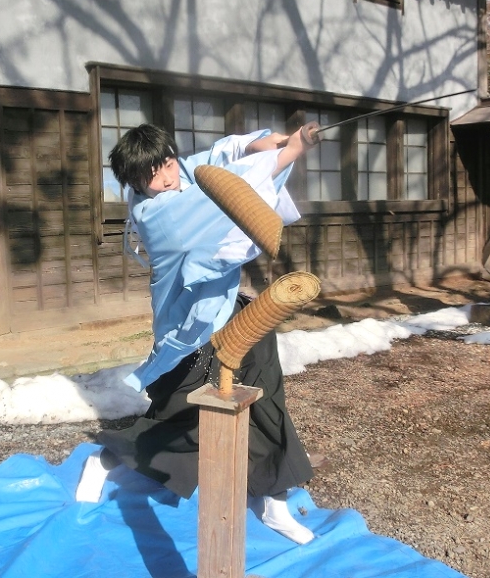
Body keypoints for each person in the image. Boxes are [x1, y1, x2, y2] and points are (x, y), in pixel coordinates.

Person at [75, 122, 318, 544]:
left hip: (233, 316)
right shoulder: (157, 215)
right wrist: (291, 150)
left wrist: (271, 141)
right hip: (189, 335)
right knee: (188, 422)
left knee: (267, 400)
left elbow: (227, 154)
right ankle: (110, 459)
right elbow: (230, 189)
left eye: (167, 163)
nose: (166, 177)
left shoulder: (182, 173)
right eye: (151, 175)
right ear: (134, 183)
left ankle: (273, 499)